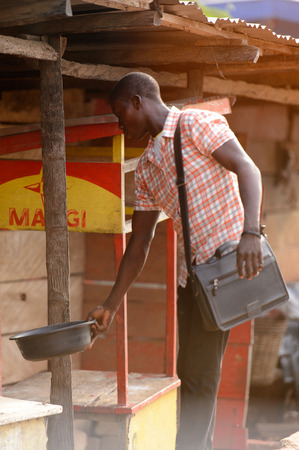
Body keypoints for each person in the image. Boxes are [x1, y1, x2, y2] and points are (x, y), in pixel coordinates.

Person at [87, 72, 263, 450]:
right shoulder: (148, 166)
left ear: (138, 101)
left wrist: (252, 233)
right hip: (195, 281)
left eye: (121, 114)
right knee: (193, 374)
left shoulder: (198, 123)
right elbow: (140, 242)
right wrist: (111, 305)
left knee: (199, 376)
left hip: (230, 268)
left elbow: (249, 169)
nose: (120, 125)